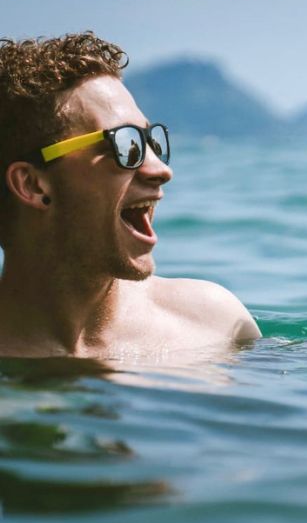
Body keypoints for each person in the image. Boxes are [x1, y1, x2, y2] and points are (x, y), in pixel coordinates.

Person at [0, 32, 260, 358]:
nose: (161, 170)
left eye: (152, 141)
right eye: (125, 144)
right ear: (32, 185)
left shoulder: (214, 324)